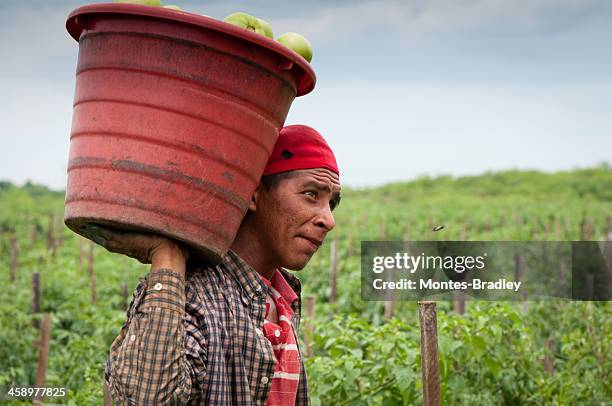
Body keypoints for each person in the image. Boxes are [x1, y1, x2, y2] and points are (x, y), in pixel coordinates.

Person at [95, 124, 341, 405]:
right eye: (311, 194)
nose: (328, 220)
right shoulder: (190, 298)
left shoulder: (282, 302)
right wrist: (167, 256)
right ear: (253, 193)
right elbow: (146, 400)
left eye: (331, 203)